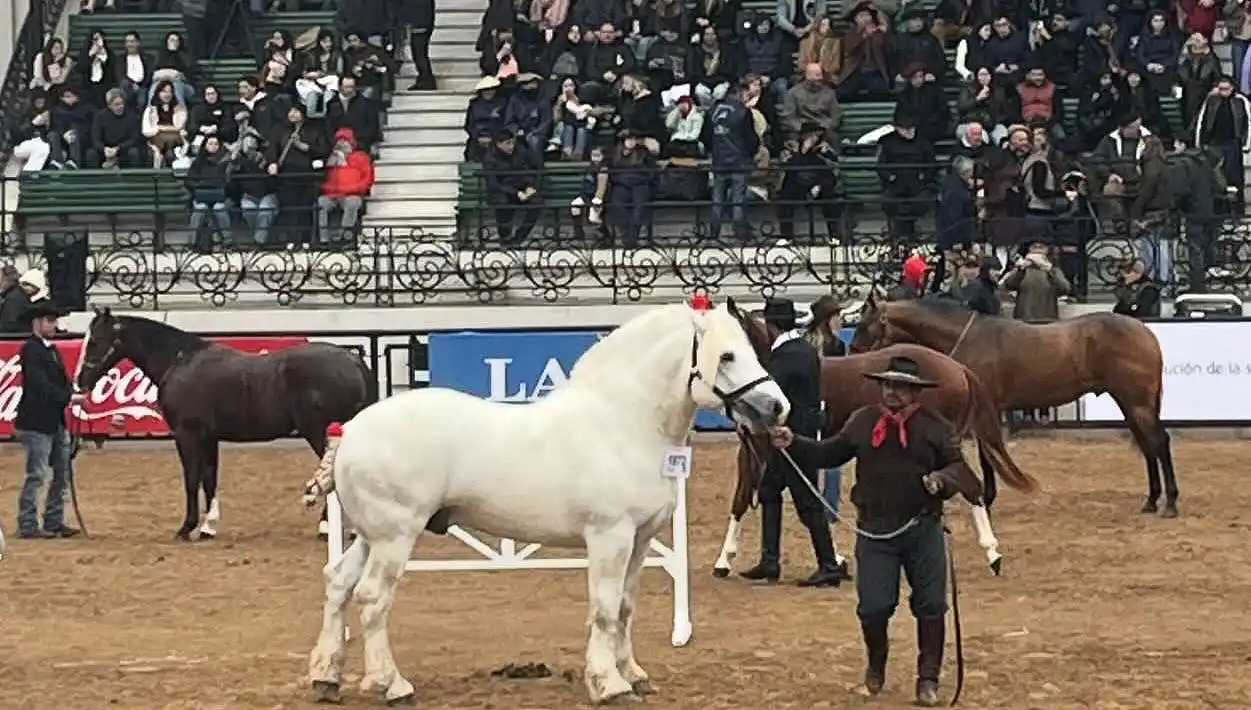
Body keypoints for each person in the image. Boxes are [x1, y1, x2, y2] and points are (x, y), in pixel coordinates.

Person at [768, 355, 967, 706]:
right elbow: (829, 453)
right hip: (875, 531)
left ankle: (928, 678)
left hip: (923, 527)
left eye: (900, 386)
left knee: (932, 606)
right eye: (887, 385)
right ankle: (877, 661)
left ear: (914, 392)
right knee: (874, 607)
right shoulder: (863, 422)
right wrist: (793, 442)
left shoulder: (935, 427)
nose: (892, 392)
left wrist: (942, 480)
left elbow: (959, 468)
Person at [740, 297, 846, 588]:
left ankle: (828, 564)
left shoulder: (787, 356)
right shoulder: (801, 349)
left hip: (793, 439)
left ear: (771, 327)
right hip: (794, 436)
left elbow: (772, 397)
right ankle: (770, 559)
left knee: (807, 503)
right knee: (769, 491)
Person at [15, 300, 84, 540]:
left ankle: (53, 520)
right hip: (37, 422)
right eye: (50, 320)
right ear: (37, 323)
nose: (54, 325)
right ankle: (28, 522)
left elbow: (58, 382)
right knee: (38, 474)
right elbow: (39, 384)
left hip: (52, 420)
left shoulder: (50, 350)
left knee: (61, 472)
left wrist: (70, 393)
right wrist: (68, 397)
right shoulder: (31, 350)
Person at [806, 294, 849, 538]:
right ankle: (828, 506)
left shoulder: (808, 342)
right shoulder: (834, 346)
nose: (841, 321)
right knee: (831, 458)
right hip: (825, 405)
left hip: (815, 406)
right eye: (837, 316)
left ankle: (821, 504)